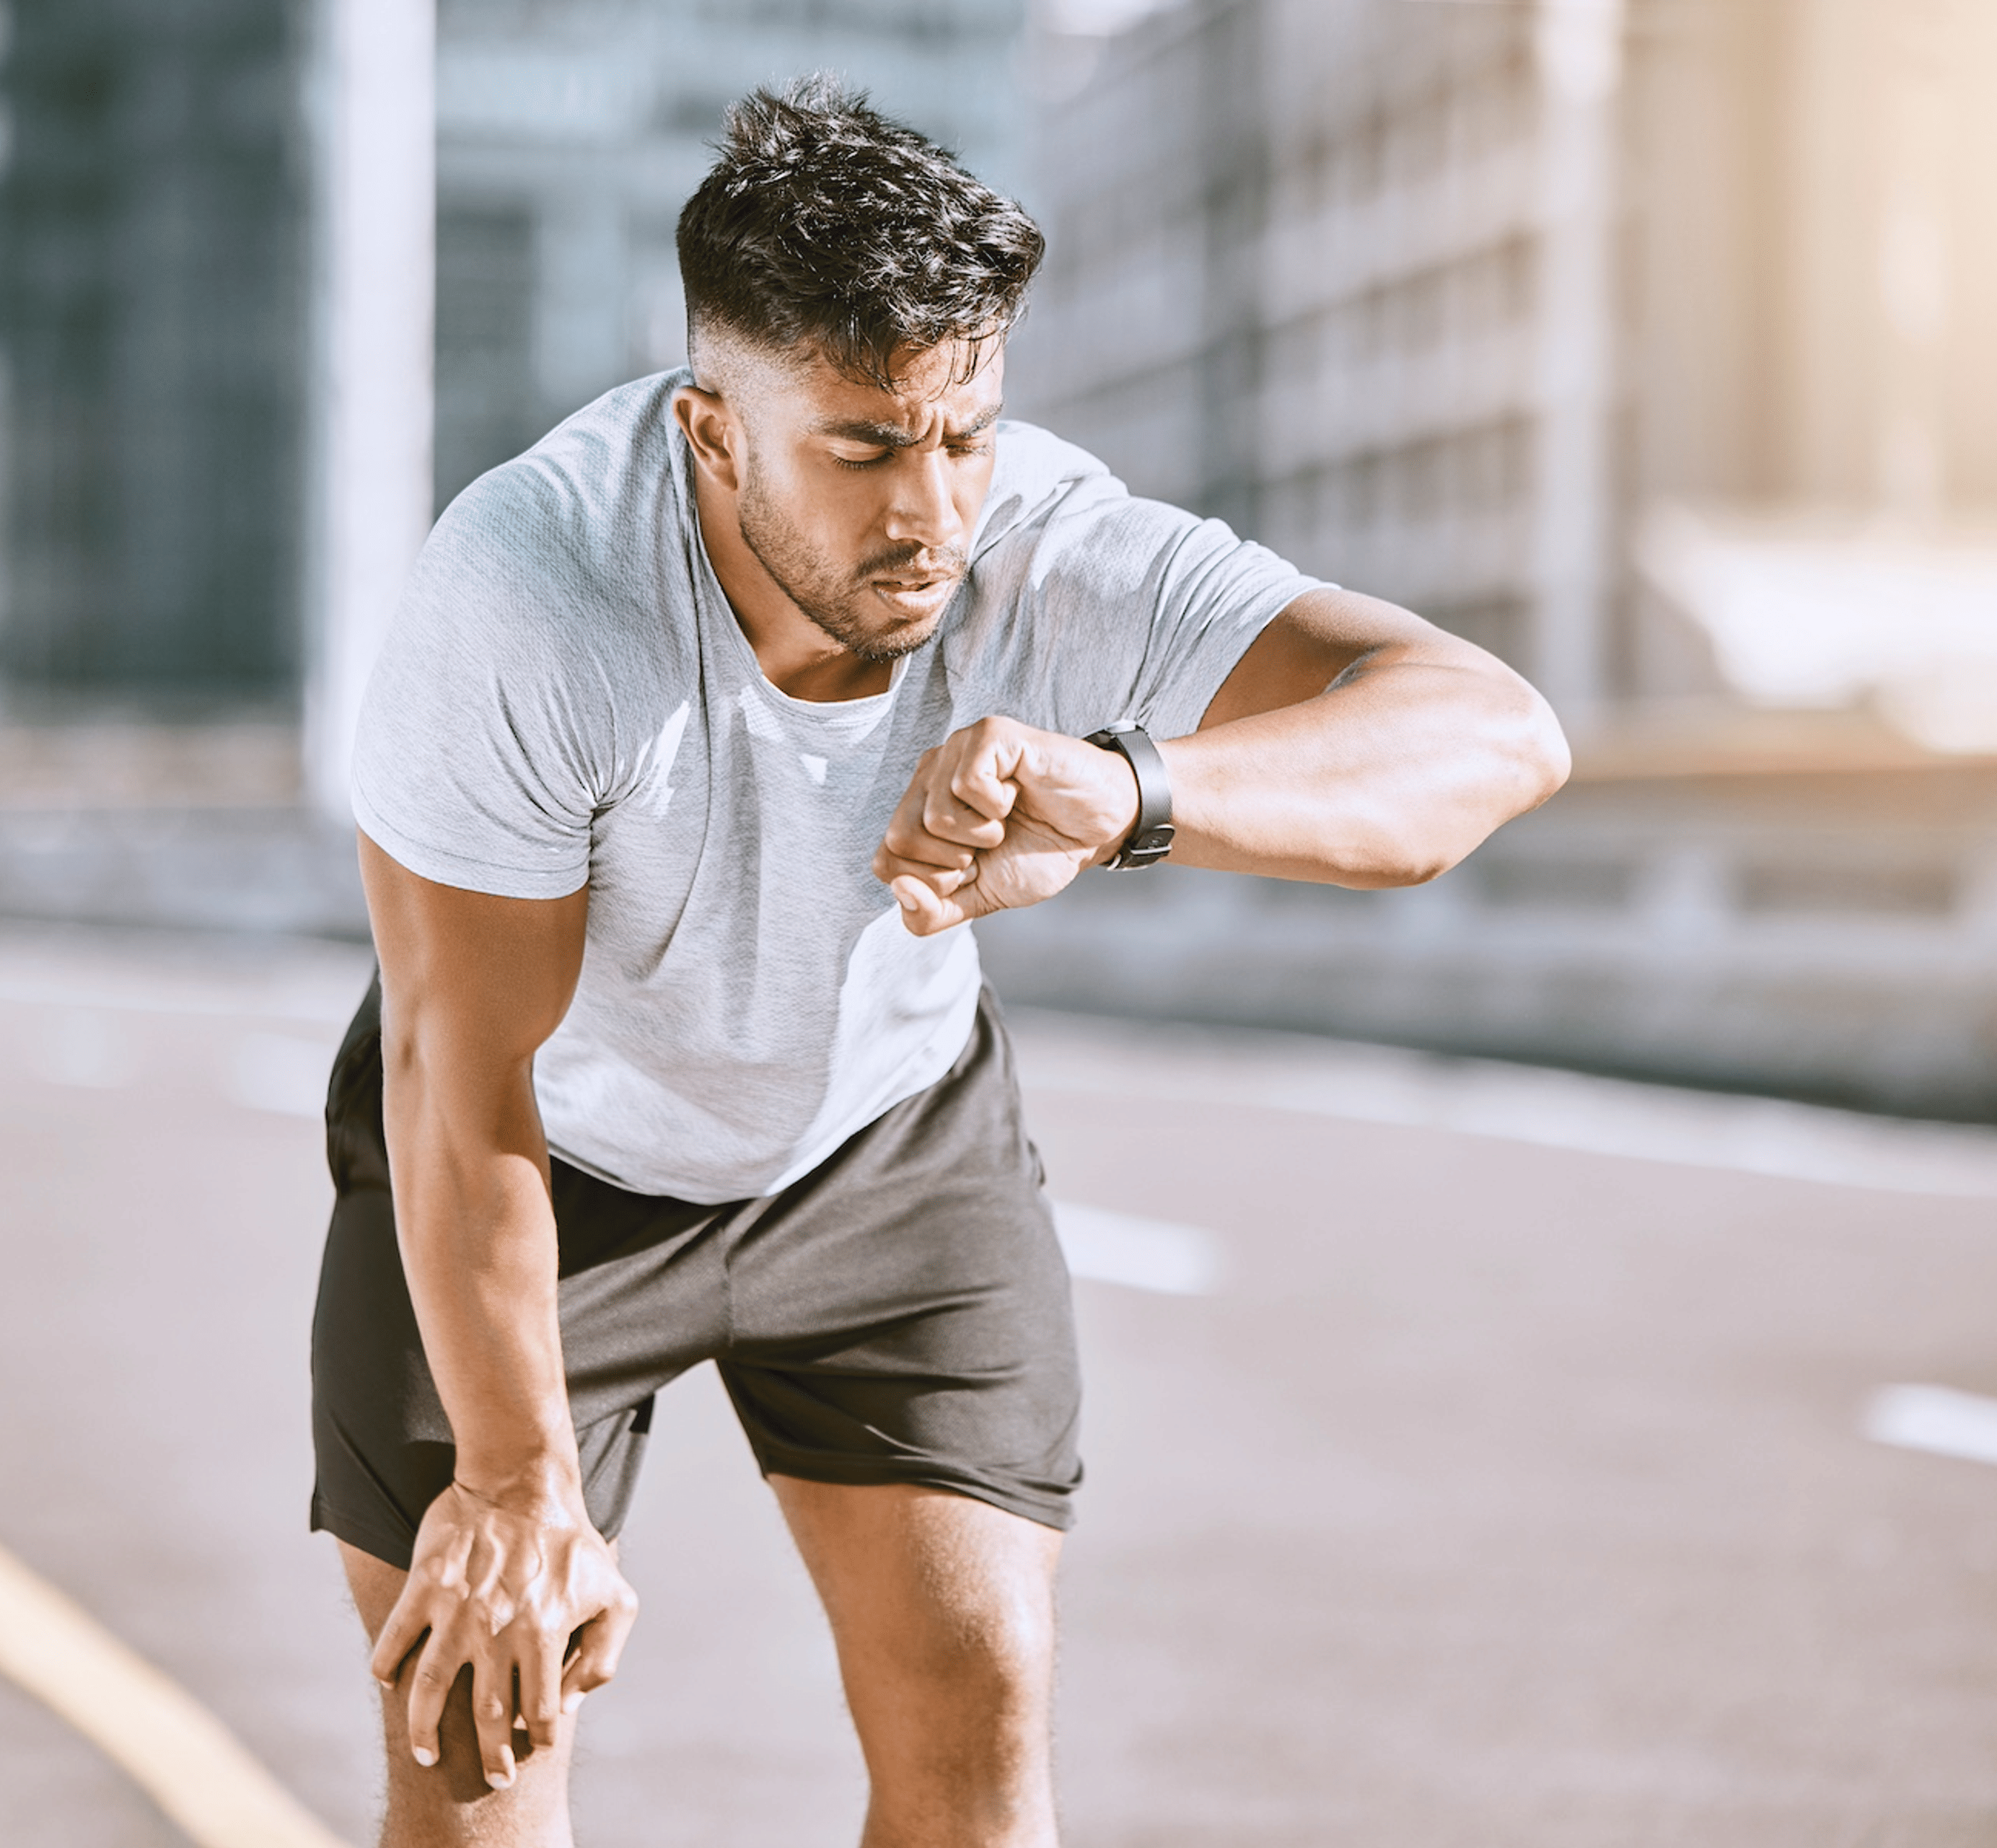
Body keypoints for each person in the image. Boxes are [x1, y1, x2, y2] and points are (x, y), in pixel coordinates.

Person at [310, 77, 1569, 1847]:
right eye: (862, 448)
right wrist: (518, 1480)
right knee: (481, 1752)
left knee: (980, 1703)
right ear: (710, 434)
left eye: (962, 434)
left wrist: (1132, 787)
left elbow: (1494, 735)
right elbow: (461, 1074)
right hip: (542, 1164)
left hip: (884, 1149)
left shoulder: (1040, 541)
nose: (931, 512)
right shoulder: (531, 597)